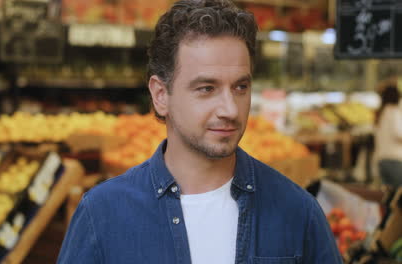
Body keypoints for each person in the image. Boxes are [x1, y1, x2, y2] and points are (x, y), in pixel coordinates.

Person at [58, 0, 341, 263]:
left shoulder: (298, 212)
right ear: (160, 95)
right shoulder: (102, 214)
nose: (230, 109)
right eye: (207, 89)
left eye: (240, 87)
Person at [374, 84, 402, 187]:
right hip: (395, 159)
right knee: (398, 196)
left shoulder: (381, 113)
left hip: (382, 160)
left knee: (389, 196)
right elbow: (398, 133)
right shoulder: (393, 112)